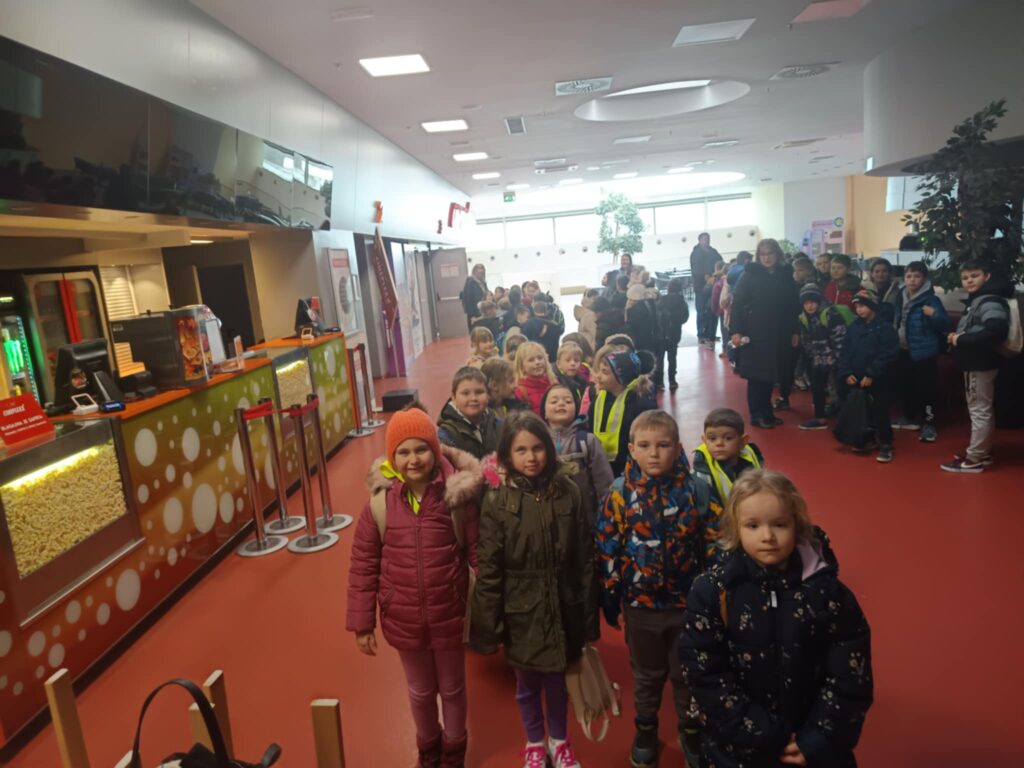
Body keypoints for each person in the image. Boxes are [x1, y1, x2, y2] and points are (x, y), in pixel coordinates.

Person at [679, 470, 873, 768]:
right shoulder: (712, 592)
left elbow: (850, 675)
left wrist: (821, 736)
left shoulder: (828, 593)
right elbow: (705, 674)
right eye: (753, 525)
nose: (767, 536)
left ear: (797, 524)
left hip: (814, 751)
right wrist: (759, 733)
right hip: (737, 752)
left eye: (779, 524)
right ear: (735, 528)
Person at [347, 406, 484, 768]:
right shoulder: (379, 505)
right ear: (392, 457)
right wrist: (362, 623)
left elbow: (477, 553)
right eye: (403, 451)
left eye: (421, 449)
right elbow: (363, 565)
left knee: (453, 688)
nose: (413, 459)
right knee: (420, 691)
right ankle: (428, 748)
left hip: (450, 614)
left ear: (435, 451)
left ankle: (454, 749)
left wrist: (489, 609)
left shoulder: (457, 499)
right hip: (403, 618)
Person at [471, 412, 598, 768]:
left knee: (558, 681)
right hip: (520, 610)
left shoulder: (568, 492)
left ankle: (559, 740)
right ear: (506, 455)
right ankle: (534, 742)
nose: (531, 457)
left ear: (549, 449)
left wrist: (589, 616)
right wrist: (488, 626)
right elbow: (490, 567)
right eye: (521, 450)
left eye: (538, 448)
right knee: (526, 684)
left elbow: (584, 557)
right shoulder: (497, 500)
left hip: (562, 604)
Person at [596, 410, 721, 768]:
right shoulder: (619, 494)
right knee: (647, 674)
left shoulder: (696, 490)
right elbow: (607, 546)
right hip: (640, 607)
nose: (654, 454)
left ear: (677, 448)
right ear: (631, 449)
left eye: (663, 445)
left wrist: (714, 594)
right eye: (645, 446)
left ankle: (691, 729)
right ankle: (646, 728)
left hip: (688, 606)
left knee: (687, 673)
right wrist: (610, 595)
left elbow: (715, 543)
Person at [940, 260, 1012, 473]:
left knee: (979, 409)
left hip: (980, 362)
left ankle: (975, 459)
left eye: (975, 275)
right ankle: (982, 452)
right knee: (981, 408)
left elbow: (996, 330)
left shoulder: (989, 300)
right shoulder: (980, 299)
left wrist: (961, 339)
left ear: (986, 276)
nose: (969, 280)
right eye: (965, 278)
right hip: (978, 361)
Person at [729, 238, 800, 429]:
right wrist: (735, 330)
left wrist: (795, 330)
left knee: (770, 374)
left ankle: (767, 412)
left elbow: (793, 305)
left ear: (777, 254)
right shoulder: (750, 275)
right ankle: (757, 414)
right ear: (758, 256)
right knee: (756, 375)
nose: (767, 258)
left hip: (780, 331)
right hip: (756, 331)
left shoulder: (785, 275)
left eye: (770, 254)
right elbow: (737, 303)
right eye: (763, 254)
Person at [837, 289, 900, 463]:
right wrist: (846, 372)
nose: (859, 310)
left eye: (863, 306)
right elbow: (845, 351)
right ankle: (865, 438)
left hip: (880, 379)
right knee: (861, 410)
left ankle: (886, 443)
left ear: (872, 306)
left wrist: (872, 373)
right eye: (857, 306)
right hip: (856, 377)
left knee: (880, 411)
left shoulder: (885, 328)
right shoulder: (854, 327)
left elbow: (888, 354)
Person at [542, 383, 613, 528]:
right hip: (548, 520)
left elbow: (604, 482)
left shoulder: (587, 441)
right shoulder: (538, 443)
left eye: (568, 401)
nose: (561, 404)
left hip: (585, 519)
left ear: (576, 409)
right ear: (544, 412)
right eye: (554, 401)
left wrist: (606, 516)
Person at [892, 261, 950, 441]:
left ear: (924, 279)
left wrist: (934, 314)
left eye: (917, 276)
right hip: (902, 349)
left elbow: (945, 324)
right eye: (909, 276)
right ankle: (909, 418)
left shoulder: (931, 300)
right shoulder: (900, 296)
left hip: (924, 352)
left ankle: (929, 424)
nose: (912, 280)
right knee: (905, 385)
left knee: (926, 389)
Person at [587, 348, 656, 475]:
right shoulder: (599, 399)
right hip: (600, 468)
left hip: (629, 470)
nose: (598, 376)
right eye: (599, 370)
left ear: (621, 378)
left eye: (605, 372)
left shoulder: (639, 404)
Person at [796, 283, 853, 430]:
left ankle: (845, 418)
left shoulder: (830, 314)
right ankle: (819, 417)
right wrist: (814, 356)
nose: (810, 306)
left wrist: (837, 359)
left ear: (819, 301)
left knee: (840, 388)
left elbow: (840, 337)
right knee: (817, 387)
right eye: (806, 303)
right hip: (818, 358)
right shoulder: (803, 318)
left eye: (812, 302)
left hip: (836, 358)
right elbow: (806, 340)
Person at [691, 407, 765, 501]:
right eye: (712, 438)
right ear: (705, 440)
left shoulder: (750, 454)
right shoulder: (701, 472)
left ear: (743, 441)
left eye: (728, 438)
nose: (719, 443)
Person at [437, 366, 501, 460]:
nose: (473, 398)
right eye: (465, 393)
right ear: (453, 397)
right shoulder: (447, 434)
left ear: (488, 395)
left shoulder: (498, 424)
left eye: (479, 392)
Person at [654, 277, 689, 391]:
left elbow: (656, 315)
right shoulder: (682, 302)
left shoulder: (662, 300)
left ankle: (659, 382)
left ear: (669, 288)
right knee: (672, 357)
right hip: (675, 332)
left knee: (660, 358)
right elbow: (685, 317)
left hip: (661, 333)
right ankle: (672, 380)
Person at [690, 232, 722, 346]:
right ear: (699, 240)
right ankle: (701, 335)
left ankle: (711, 334)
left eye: (708, 238)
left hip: (714, 285)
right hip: (701, 287)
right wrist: (705, 275)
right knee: (701, 310)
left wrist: (719, 273)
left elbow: (720, 263)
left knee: (713, 310)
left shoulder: (713, 252)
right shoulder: (695, 253)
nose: (707, 240)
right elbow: (695, 269)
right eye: (704, 239)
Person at [514, 341, 558, 414]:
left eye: (540, 358)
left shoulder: (553, 383)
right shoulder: (520, 391)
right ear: (522, 367)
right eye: (531, 360)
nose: (537, 362)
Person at [625, 283, 658, 361]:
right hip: (649, 339)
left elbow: (630, 325)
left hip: (639, 342)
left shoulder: (635, 311)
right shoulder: (648, 304)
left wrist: (627, 311)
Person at [863, 257, 900, 324]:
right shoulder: (864, 289)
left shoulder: (897, 291)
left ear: (890, 273)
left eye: (884, 271)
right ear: (872, 274)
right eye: (877, 271)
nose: (880, 274)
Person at [460, 263, 488, 332]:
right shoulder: (470, 281)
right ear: (474, 272)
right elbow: (468, 299)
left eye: (482, 272)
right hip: (474, 312)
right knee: (475, 331)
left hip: (483, 310)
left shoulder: (483, 282)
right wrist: (472, 314)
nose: (480, 273)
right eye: (478, 271)